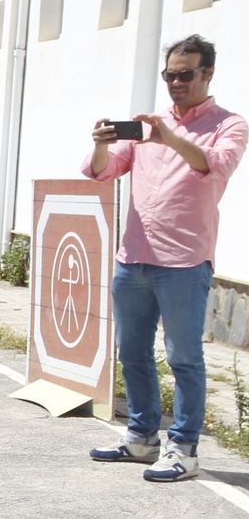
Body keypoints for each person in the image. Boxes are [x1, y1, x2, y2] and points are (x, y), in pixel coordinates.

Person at [83, 34, 246, 482]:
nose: (175, 82)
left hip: (184, 262)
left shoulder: (228, 124)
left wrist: (170, 137)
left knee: (184, 358)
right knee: (132, 353)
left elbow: (212, 164)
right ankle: (140, 439)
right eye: (169, 75)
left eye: (185, 74)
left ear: (207, 73)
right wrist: (100, 143)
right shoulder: (146, 127)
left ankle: (184, 449)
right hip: (133, 257)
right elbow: (102, 171)